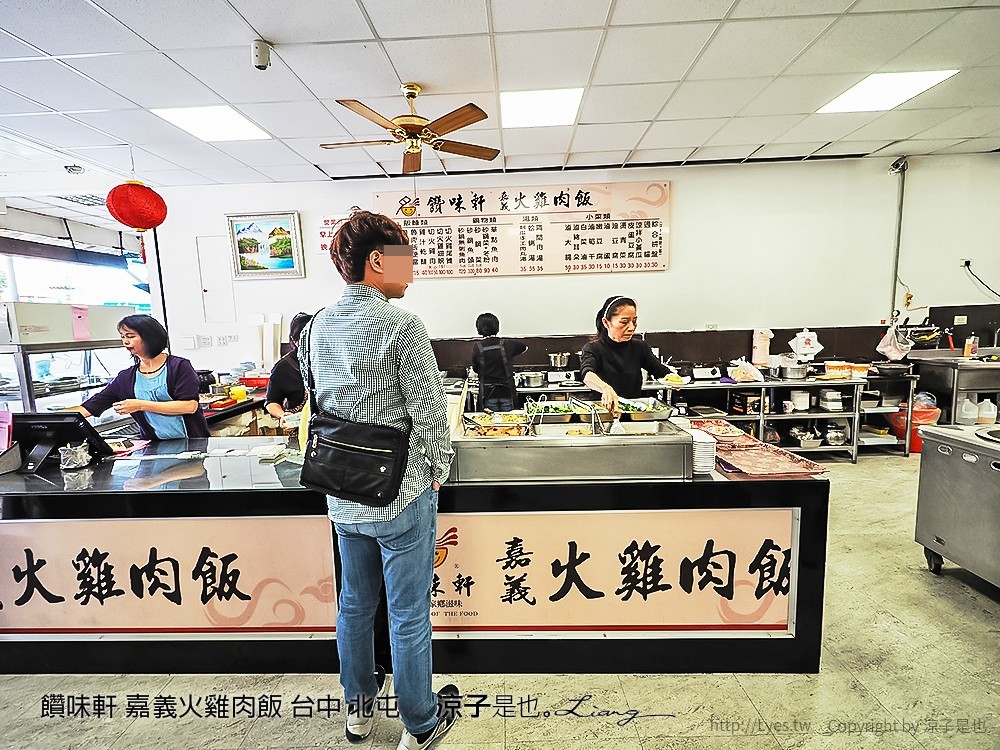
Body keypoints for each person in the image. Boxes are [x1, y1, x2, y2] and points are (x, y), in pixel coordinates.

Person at [301, 208, 458, 750]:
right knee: (409, 611)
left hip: (342, 490)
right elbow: (430, 411)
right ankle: (419, 722)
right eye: (405, 255)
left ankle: (359, 713)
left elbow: (318, 402)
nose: (411, 266)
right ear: (376, 261)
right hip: (399, 492)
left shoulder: (316, 324)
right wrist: (437, 473)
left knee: (354, 606)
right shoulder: (401, 322)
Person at [67, 315, 209, 440]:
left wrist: (140, 405)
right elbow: (89, 407)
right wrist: (50, 418)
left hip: (192, 442)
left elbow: (189, 406)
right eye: (123, 337)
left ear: (149, 337)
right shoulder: (126, 378)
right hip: (156, 445)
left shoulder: (179, 366)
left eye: (130, 336)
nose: (125, 341)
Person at [580, 295, 669, 414]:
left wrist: (675, 379)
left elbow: (660, 371)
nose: (631, 328)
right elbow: (587, 374)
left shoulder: (639, 347)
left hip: (634, 412)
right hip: (604, 412)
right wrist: (605, 388)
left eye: (634, 321)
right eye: (624, 322)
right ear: (606, 323)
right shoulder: (593, 348)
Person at [470, 312, 527, 412]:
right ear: (497, 327)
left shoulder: (478, 347)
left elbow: (475, 368)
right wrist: (510, 355)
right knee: (510, 422)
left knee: (490, 423)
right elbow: (525, 348)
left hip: (488, 394)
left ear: (479, 329)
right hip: (507, 392)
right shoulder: (507, 343)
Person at [265, 311, 313, 425]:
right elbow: (271, 402)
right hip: (297, 426)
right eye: (303, 338)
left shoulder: (327, 362)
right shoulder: (283, 368)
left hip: (324, 428)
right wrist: (283, 415)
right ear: (294, 339)